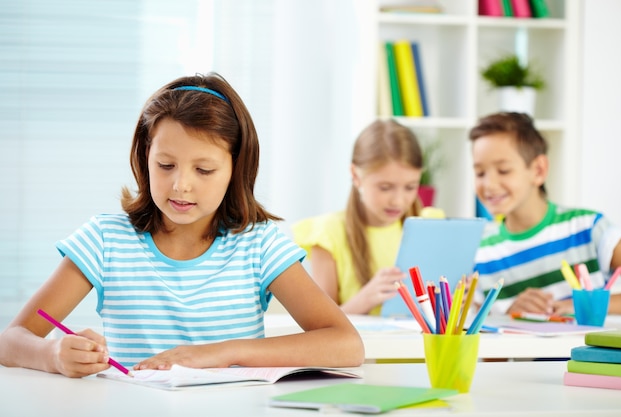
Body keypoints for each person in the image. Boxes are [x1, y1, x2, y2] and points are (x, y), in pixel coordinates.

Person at [0, 73, 364, 378]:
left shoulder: (258, 244)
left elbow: (346, 344)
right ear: (146, 157)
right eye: (165, 165)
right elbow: (11, 339)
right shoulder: (105, 240)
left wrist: (218, 353)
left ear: (236, 169)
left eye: (203, 170)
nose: (181, 185)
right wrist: (52, 355)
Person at [469, 112, 621, 315]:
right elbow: (482, 320)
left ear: (538, 170)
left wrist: (576, 306)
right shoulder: (480, 250)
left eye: (504, 170)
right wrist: (511, 313)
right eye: (480, 173)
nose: (489, 185)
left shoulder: (587, 227)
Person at [292, 119, 441, 315]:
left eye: (410, 187)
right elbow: (322, 324)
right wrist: (366, 298)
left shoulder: (430, 224)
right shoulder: (329, 234)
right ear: (356, 175)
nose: (398, 201)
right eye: (385, 187)